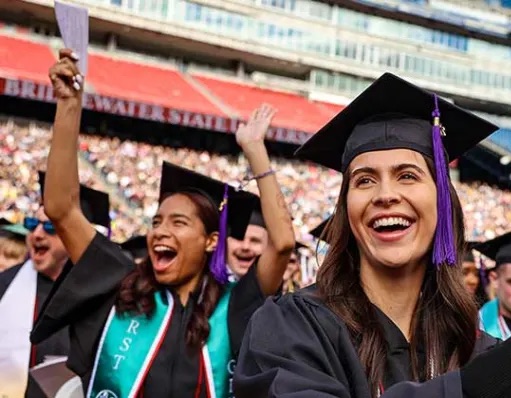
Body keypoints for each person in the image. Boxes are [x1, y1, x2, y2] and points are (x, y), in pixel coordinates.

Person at [234, 72, 511, 398]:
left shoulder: (476, 348)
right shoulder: (290, 328)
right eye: (364, 180)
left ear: (442, 203)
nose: (386, 195)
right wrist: (483, 385)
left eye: (408, 175)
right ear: (346, 208)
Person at [30, 48, 296, 398]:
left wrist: (256, 151)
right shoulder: (118, 283)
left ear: (211, 241)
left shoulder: (234, 305)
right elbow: (61, 208)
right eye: (156, 221)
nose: (161, 231)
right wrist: (68, 105)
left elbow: (282, 243)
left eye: (179, 222)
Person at [0, 175, 110, 398]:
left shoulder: (102, 295)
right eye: (32, 224)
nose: (37, 234)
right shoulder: (6, 284)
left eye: (50, 226)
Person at [227, 208, 268, 281]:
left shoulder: (276, 290)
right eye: (239, 238)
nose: (245, 247)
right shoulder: (204, 285)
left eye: (255, 241)